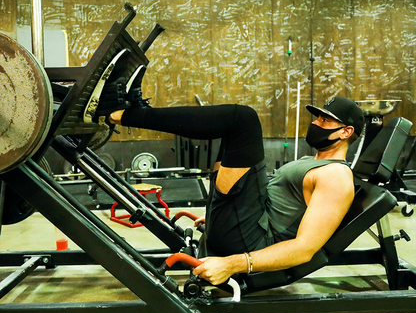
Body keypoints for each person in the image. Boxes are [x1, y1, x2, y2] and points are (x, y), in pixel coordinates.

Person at [84, 71, 364, 286]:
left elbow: (305, 249)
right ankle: (128, 110)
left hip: (249, 243)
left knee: (242, 119)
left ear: (346, 132)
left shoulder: (336, 176)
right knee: (231, 133)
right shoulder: (312, 163)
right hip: (241, 227)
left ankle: (122, 114)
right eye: (316, 118)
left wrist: (232, 264)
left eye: (324, 121)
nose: (315, 123)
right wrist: (221, 217)